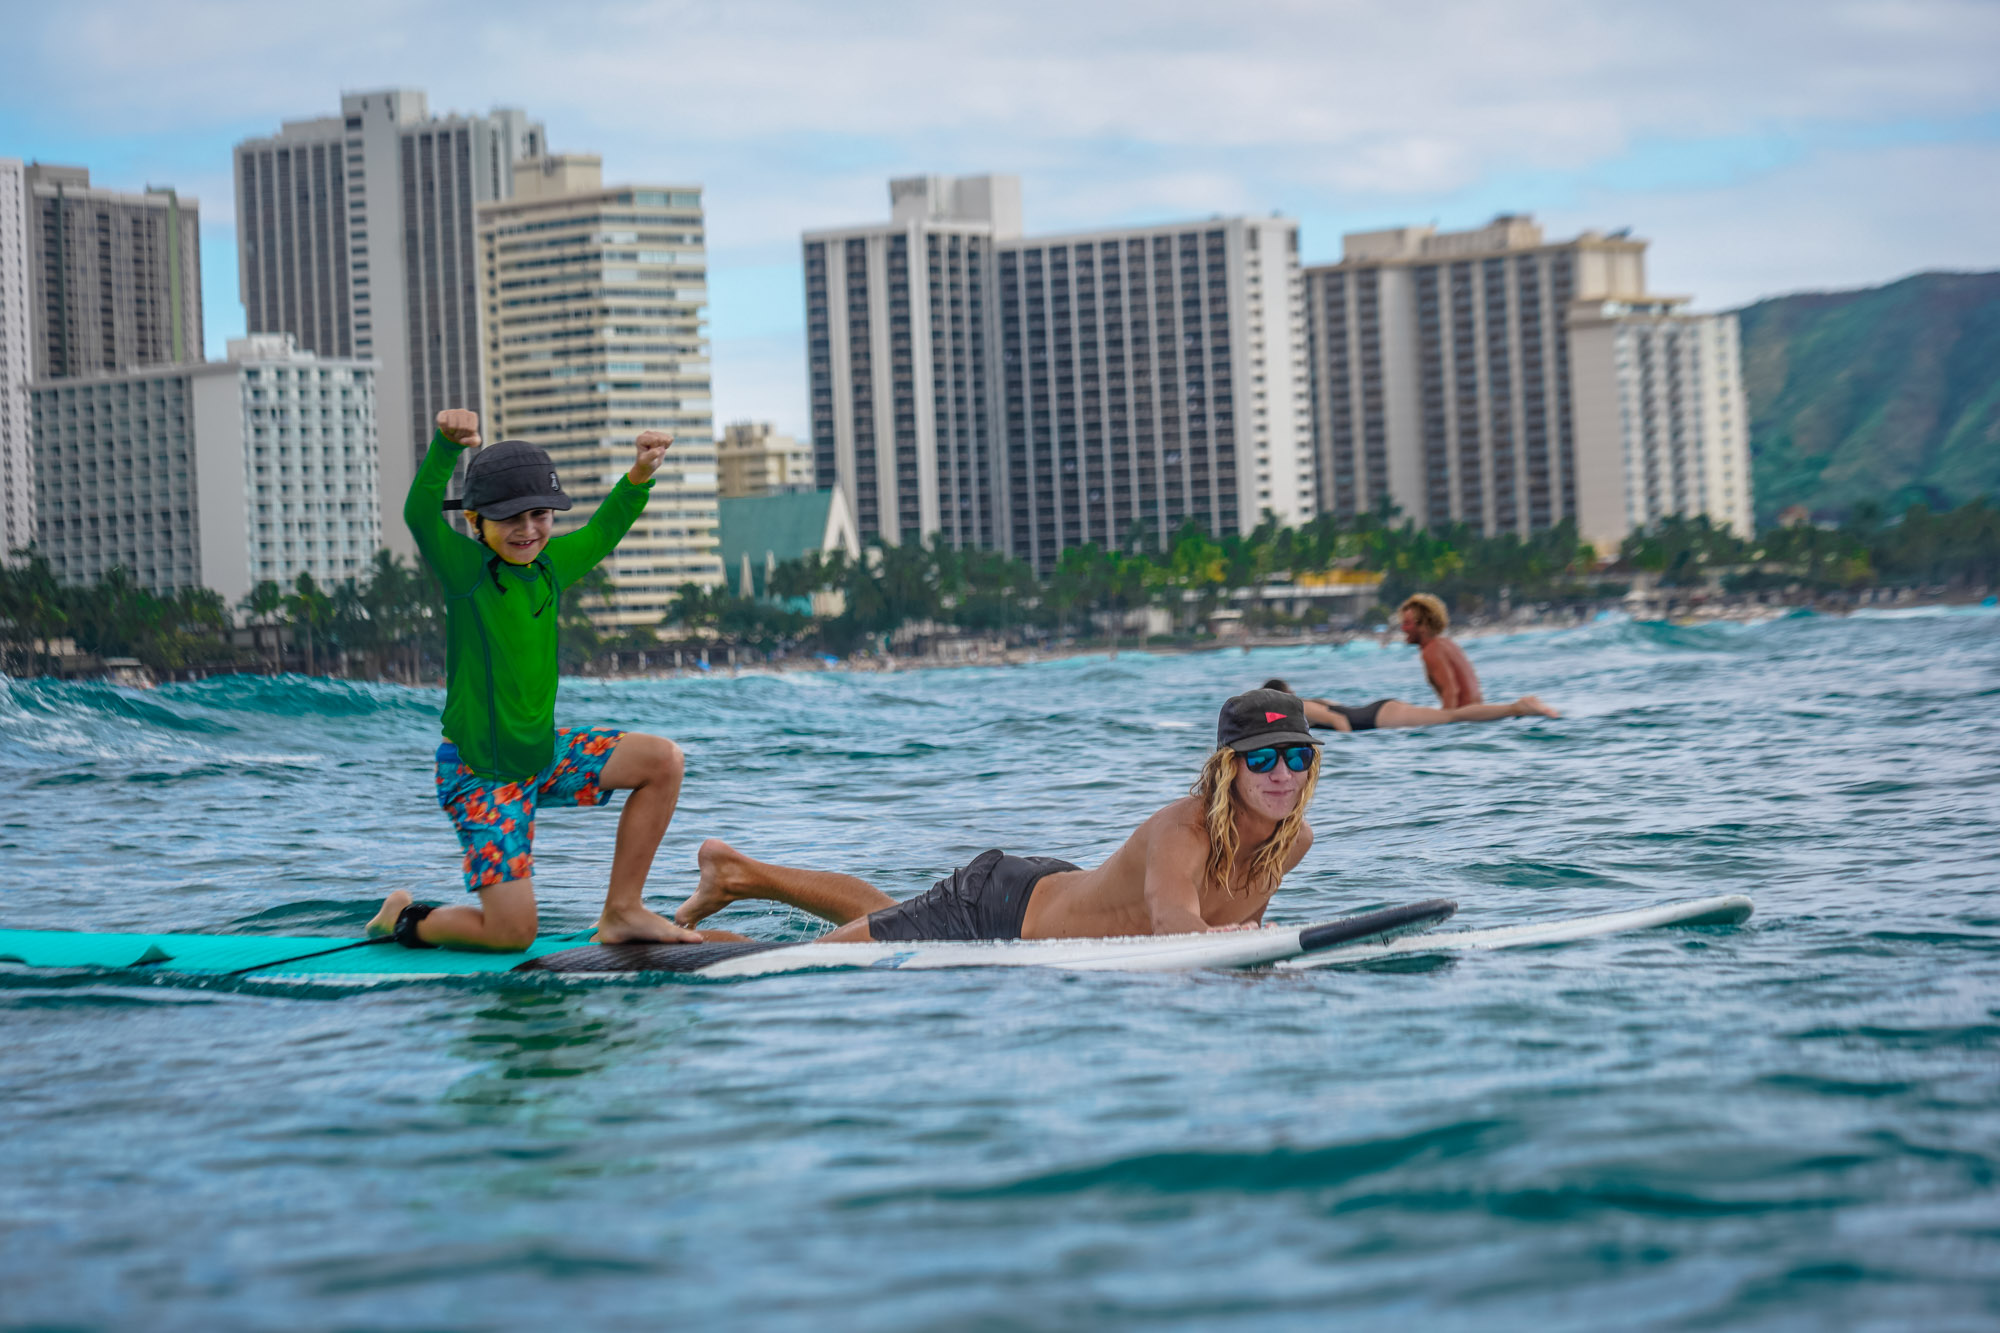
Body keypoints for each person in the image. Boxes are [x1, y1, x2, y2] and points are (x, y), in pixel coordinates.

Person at [366, 409, 705, 951]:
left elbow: (604, 529)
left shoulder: (551, 567)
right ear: (474, 521)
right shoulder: (465, 571)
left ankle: (623, 910)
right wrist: (445, 448)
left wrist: (640, 474)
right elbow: (418, 515)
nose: (528, 530)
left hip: (542, 758)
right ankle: (405, 916)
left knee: (662, 760)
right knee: (513, 935)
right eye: (509, 519)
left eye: (539, 514)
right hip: (480, 775)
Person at [673, 689, 1327, 941]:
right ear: (1227, 768)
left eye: (1296, 757)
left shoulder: (1290, 842)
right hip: (997, 906)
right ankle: (673, 942)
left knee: (893, 920)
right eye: (1262, 757)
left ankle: (738, 872)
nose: (1281, 773)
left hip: (1052, 898)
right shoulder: (1181, 827)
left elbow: (1230, 918)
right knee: (814, 964)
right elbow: (1175, 924)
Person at [1268, 593, 1559, 733]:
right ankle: (1517, 707)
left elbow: (1339, 720)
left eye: (1407, 624)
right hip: (1381, 713)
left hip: (1380, 718)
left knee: (1452, 717)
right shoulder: (1444, 645)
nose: (1402, 629)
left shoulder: (1432, 650)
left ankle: (1519, 707)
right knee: (1453, 717)